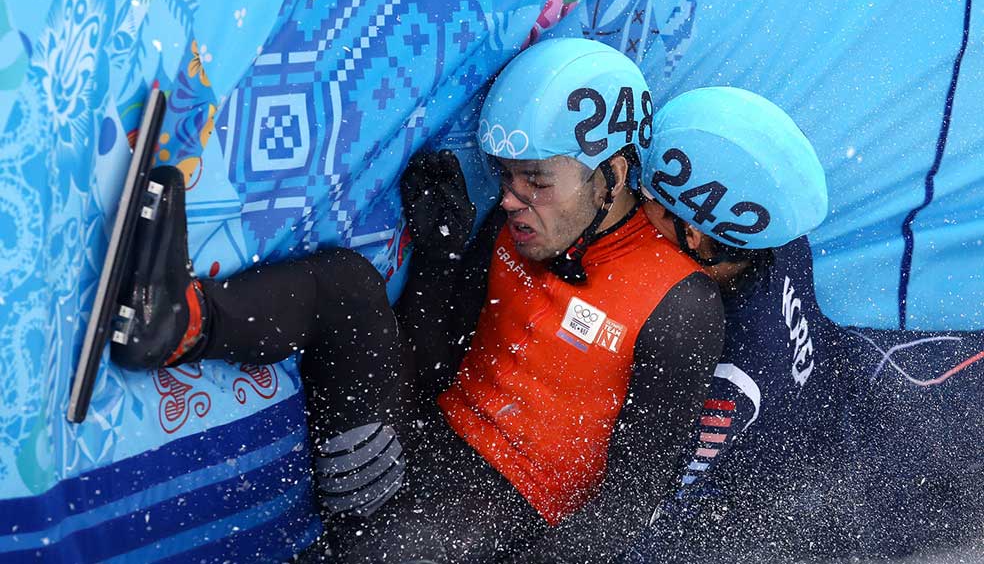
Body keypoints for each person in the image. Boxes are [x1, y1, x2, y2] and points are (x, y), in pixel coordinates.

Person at [112, 38, 725, 563]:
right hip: (398, 455)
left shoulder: (681, 308)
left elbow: (632, 502)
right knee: (348, 286)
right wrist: (440, 262)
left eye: (536, 180)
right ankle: (173, 320)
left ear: (612, 177)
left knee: (406, 547)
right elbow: (431, 364)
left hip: (499, 516)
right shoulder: (520, 225)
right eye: (505, 176)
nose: (512, 199)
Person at [607, 88, 847, 562]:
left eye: (646, 197)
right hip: (852, 379)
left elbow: (648, 507)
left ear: (693, 234)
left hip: (837, 477)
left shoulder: (731, 373)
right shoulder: (772, 235)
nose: (632, 199)